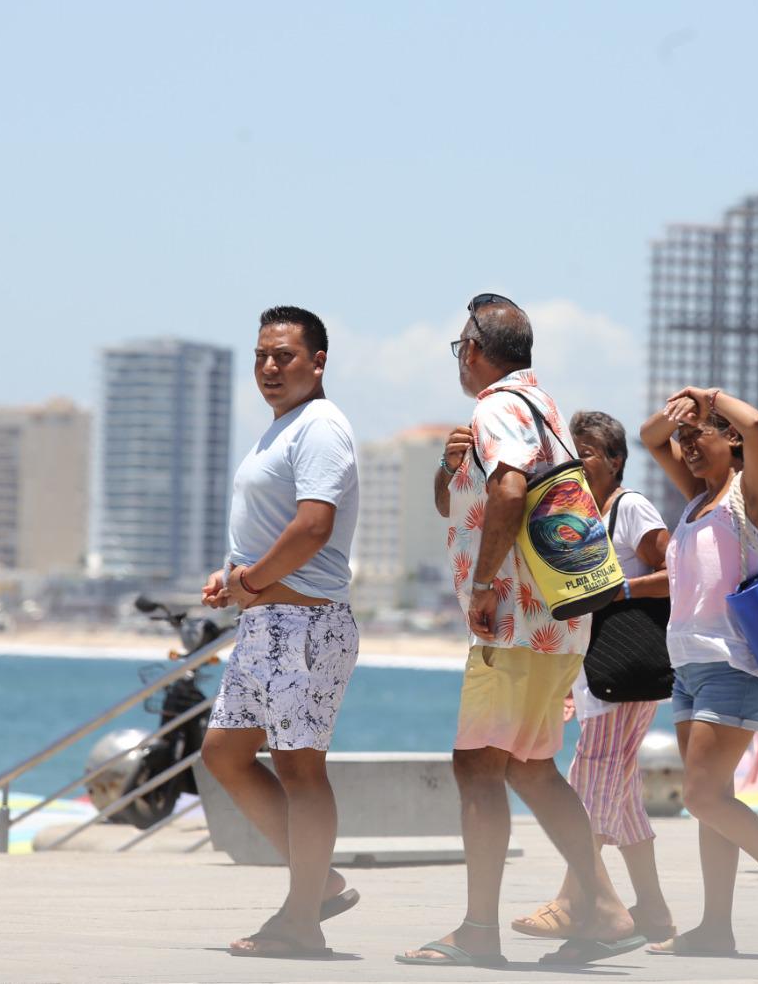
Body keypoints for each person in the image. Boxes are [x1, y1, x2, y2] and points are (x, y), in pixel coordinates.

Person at [398, 294, 642, 968]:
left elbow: (509, 491)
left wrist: (481, 585)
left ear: (474, 351)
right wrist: (450, 469)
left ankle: (480, 931)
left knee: (478, 766)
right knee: (530, 768)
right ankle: (607, 909)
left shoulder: (496, 407)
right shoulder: (541, 407)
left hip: (514, 620)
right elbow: (477, 494)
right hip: (555, 622)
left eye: (459, 348)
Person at [639, 386, 758, 957]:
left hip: (735, 663)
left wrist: (710, 396)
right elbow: (648, 438)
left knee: (700, 796)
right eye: (686, 436)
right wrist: (676, 416)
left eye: (702, 433)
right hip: (688, 663)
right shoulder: (696, 500)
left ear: (732, 437)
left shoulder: (752, 495)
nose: (688, 444)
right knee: (713, 797)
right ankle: (715, 927)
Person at [199, 305, 361, 960]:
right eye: (263, 355)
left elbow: (314, 527)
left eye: (285, 355)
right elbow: (276, 530)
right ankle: (318, 883)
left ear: (317, 362)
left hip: (307, 624)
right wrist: (237, 577)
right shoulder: (283, 428)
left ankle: (301, 919)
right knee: (223, 754)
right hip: (266, 622)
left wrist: (253, 582)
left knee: (299, 770)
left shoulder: (321, 427)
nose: (270, 367)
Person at [512, 410, 676, 944]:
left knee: (589, 781)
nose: (574, 462)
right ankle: (652, 911)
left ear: (615, 460)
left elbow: (676, 573)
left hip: (624, 668)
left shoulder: (631, 508)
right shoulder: (579, 515)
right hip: (596, 669)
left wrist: (622, 591)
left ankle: (572, 902)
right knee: (620, 795)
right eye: (570, 452)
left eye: (584, 452)